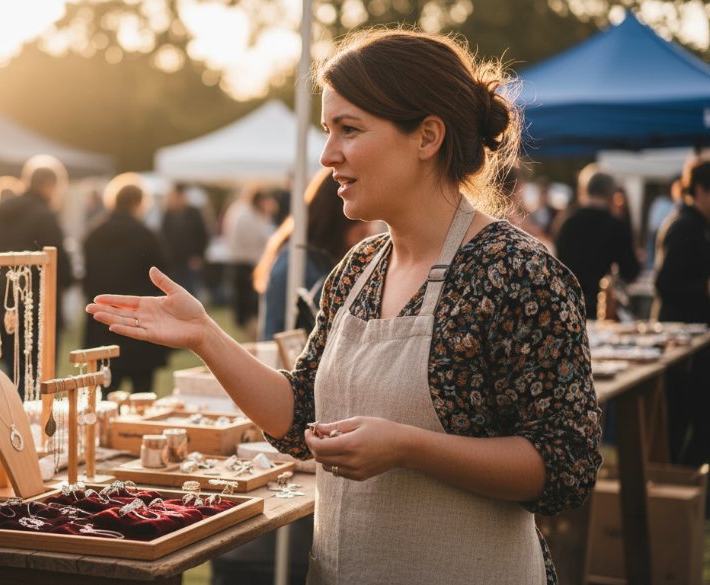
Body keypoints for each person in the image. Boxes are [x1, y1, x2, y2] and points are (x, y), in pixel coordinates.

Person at [88, 27, 602, 585]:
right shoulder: (357, 270)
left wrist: (409, 447)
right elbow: (300, 415)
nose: (329, 155)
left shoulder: (517, 274)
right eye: (328, 131)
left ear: (427, 136)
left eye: (349, 130)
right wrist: (206, 336)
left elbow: (563, 468)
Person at [0, 154, 73, 396]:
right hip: (38, 310)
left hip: (1, 307)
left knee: (10, 376)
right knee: (37, 379)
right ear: (48, 185)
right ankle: (29, 430)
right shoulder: (45, 217)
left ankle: (8, 428)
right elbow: (62, 268)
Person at [253, 168, 377, 340]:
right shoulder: (299, 267)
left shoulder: (315, 260)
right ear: (336, 216)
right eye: (360, 219)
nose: (368, 228)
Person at [83, 174, 168, 394]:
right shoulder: (147, 235)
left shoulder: (93, 233)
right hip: (138, 323)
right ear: (139, 202)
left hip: (103, 321)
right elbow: (162, 280)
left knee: (103, 395)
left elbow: (86, 278)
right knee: (142, 396)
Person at [653, 160, 710, 466]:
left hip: (690, 340)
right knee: (690, 421)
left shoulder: (695, 223)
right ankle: (684, 487)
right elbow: (665, 283)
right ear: (700, 190)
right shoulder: (684, 225)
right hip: (682, 344)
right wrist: (705, 288)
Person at [554, 166, 640, 319]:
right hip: (603, 306)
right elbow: (631, 270)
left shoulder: (566, 222)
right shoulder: (616, 225)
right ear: (610, 193)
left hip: (569, 305)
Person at [222, 186, 275, 334]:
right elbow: (264, 239)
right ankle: (251, 332)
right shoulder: (249, 216)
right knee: (249, 306)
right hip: (248, 264)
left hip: (239, 262)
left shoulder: (237, 210)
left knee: (243, 305)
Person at [161, 183, 210, 298]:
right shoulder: (168, 214)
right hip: (173, 260)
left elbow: (203, 235)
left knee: (190, 290)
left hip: (190, 260)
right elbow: (164, 237)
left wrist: (198, 255)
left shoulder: (194, 213)